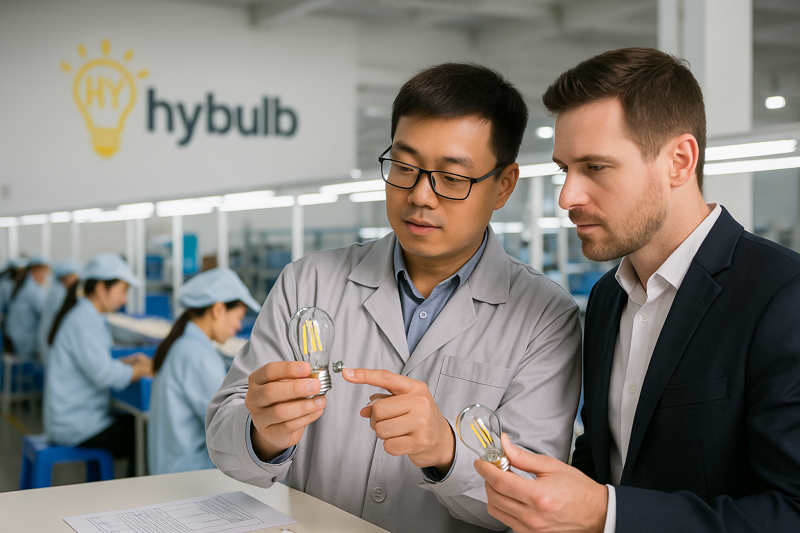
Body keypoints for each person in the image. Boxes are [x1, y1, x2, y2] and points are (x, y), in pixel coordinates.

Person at [206, 62, 582, 533]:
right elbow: (224, 441)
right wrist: (262, 434)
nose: (420, 196)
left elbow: (532, 499)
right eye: (404, 168)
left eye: (452, 178)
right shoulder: (308, 282)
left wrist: (446, 449)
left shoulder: (546, 318)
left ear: (503, 185)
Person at [474, 47, 800, 532]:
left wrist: (607, 514)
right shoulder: (609, 298)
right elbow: (610, 459)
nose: (567, 197)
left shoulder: (782, 296)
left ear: (679, 160)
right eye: (565, 169)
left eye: (596, 168)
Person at [44, 253, 153, 477]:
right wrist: (142, 369)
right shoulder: (84, 321)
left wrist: (126, 362)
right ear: (102, 288)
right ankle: (137, 501)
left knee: (134, 426)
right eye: (122, 291)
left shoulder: (89, 316)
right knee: (143, 437)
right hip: (76, 425)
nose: (124, 300)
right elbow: (105, 375)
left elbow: (93, 363)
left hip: (78, 416)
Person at [148, 268, 259, 475]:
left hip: (172, 468)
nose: (238, 326)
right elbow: (226, 425)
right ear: (218, 310)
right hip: (189, 475)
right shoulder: (197, 355)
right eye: (239, 317)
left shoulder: (184, 344)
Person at [5, 254, 50, 357]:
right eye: (45, 272)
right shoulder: (34, 290)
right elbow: (44, 313)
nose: (46, 275)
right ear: (37, 270)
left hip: (15, 335)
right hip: (24, 341)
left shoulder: (25, 284)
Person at [37, 259, 80, 365]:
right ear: (66, 277)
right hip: (50, 340)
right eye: (74, 276)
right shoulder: (59, 294)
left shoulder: (57, 290)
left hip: (48, 337)